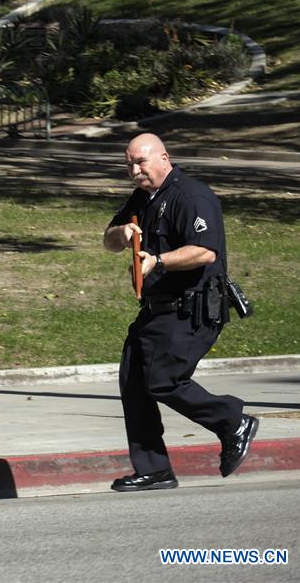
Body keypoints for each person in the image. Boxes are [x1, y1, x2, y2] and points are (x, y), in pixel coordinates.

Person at [102, 133, 258, 492]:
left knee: (163, 380)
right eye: (129, 164)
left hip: (194, 307)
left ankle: (232, 421)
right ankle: (154, 469)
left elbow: (205, 252)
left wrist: (157, 261)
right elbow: (108, 241)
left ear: (164, 158)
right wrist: (121, 232)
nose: (134, 169)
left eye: (141, 161)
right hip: (157, 308)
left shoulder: (191, 196)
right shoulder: (143, 198)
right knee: (134, 382)